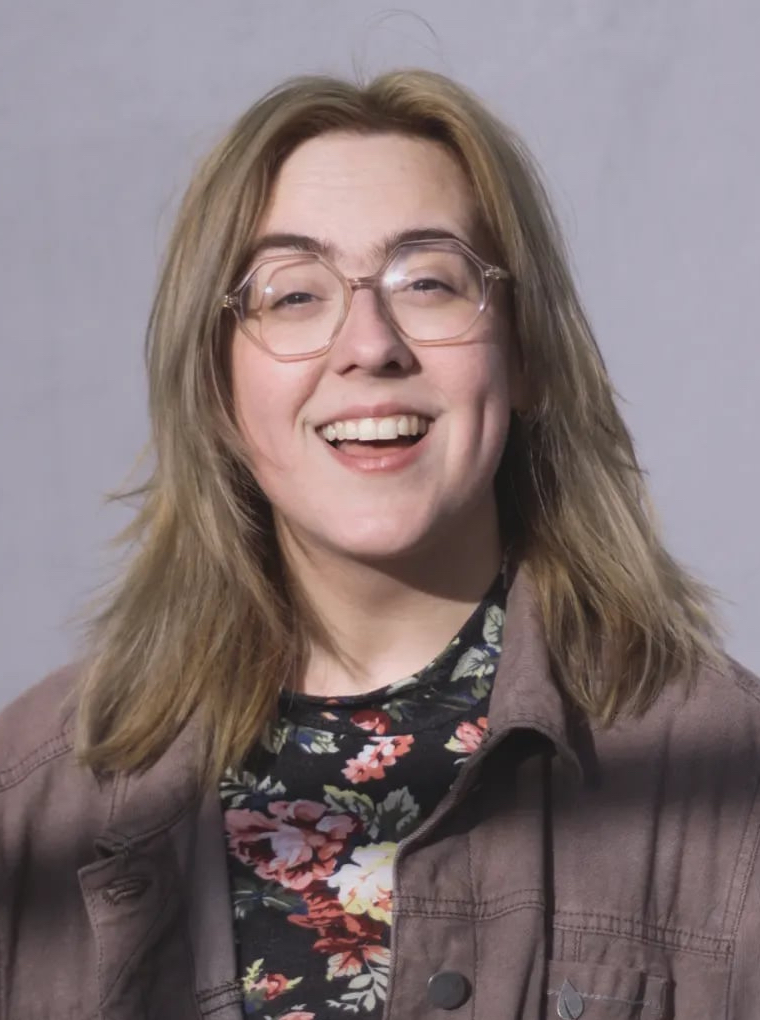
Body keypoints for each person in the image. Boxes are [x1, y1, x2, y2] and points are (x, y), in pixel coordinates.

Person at [1, 68, 758, 1020]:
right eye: (293, 295)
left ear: (523, 353)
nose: (369, 343)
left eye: (428, 282)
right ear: (217, 381)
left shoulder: (730, 788)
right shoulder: (32, 797)